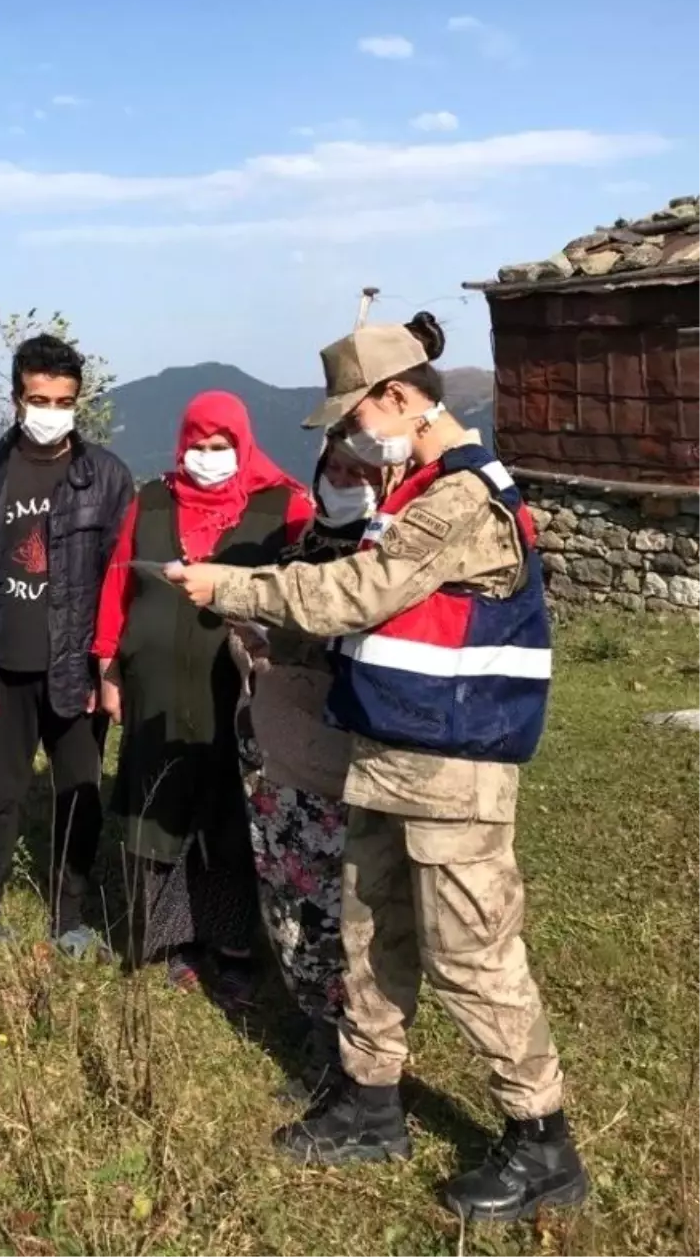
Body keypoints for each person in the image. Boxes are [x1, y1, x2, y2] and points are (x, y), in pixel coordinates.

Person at [167, 314, 589, 1224]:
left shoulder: (460, 500)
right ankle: (370, 1101)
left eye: (356, 418)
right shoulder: (420, 490)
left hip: (453, 766)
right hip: (393, 752)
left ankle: (541, 1139)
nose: (352, 440)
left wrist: (229, 586)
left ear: (397, 399)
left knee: (473, 953)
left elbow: (353, 592)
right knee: (371, 935)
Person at [95, 391, 313, 1006]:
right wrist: (108, 665)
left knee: (230, 810)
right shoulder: (153, 498)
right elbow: (117, 581)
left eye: (221, 448)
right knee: (161, 803)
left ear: (242, 445)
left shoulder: (284, 506)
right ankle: (173, 942)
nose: (208, 457)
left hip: (240, 691)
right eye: (198, 446)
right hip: (154, 687)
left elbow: (311, 589)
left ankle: (235, 949)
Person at [0, 334, 134, 975]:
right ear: (17, 397)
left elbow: (119, 580)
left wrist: (108, 667)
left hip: (76, 672)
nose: (52, 410)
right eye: (39, 398)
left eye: (65, 400)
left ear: (79, 401)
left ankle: (69, 917)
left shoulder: (106, 477)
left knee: (79, 794)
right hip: (1, 669)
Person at [230, 440, 381, 1083]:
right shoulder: (292, 554)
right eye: (336, 471)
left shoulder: (383, 561)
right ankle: (314, 1019)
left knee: (342, 903)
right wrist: (248, 644)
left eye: (359, 472)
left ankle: (354, 1047)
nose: (344, 482)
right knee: (287, 891)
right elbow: (252, 624)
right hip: (273, 751)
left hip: (340, 759)